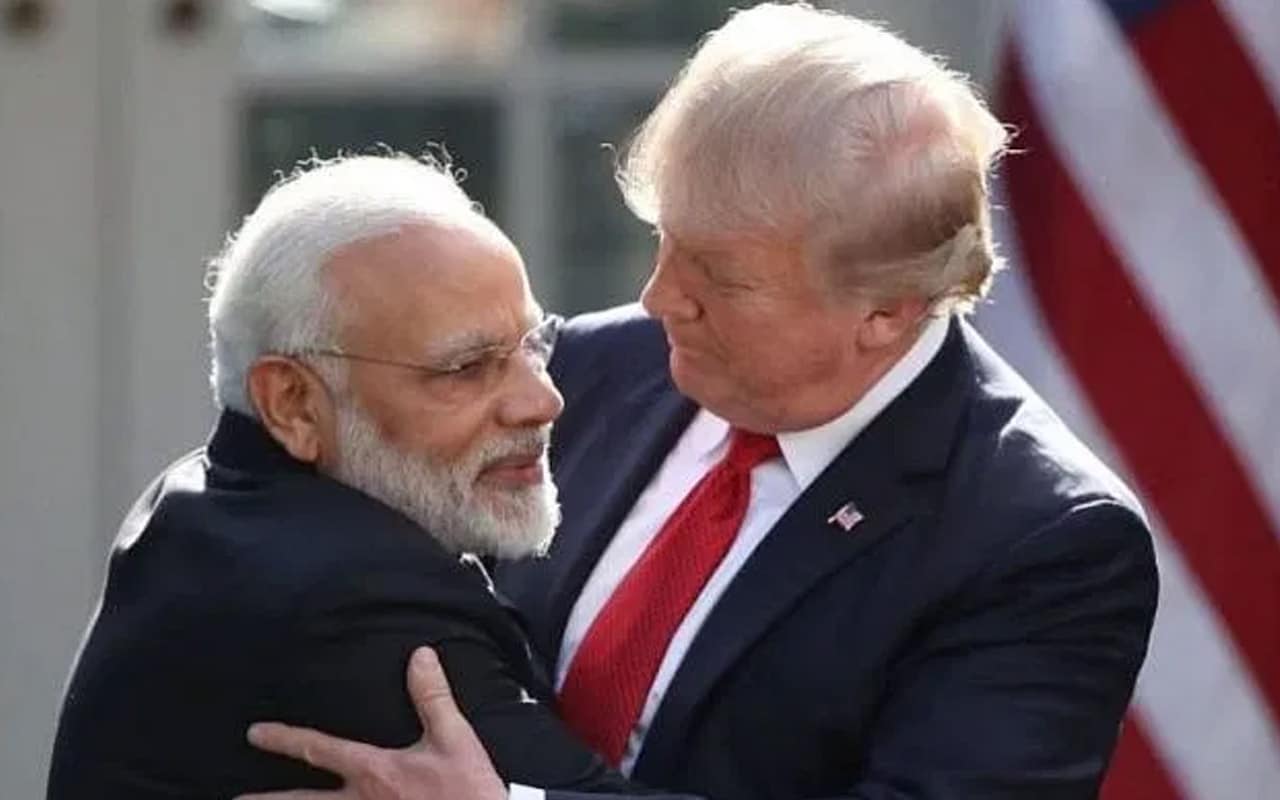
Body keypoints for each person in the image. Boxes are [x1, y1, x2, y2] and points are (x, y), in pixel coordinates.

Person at [239, 4, 1160, 800]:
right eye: (665, 240)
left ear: (887, 311)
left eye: (719, 275)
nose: (658, 298)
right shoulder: (593, 368)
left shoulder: (1042, 544)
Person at [45, 155, 637, 798]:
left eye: (533, 346)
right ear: (293, 403)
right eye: (466, 367)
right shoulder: (358, 600)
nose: (543, 401)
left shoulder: (202, 498)